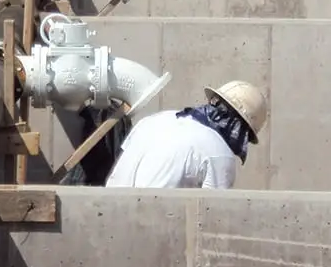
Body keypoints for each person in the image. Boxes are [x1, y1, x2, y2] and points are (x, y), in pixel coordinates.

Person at [104, 80, 268, 190]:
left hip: (109, 224)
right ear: (240, 128)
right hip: (158, 235)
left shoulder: (154, 121)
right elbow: (213, 218)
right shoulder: (219, 154)